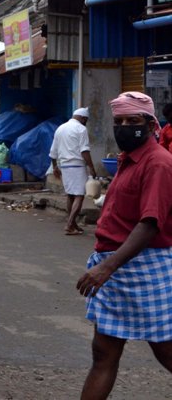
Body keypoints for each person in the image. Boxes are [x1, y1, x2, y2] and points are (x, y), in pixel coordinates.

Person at [76, 91, 172, 399]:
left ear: (151, 124)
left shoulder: (158, 163)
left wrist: (105, 268)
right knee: (103, 354)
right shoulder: (128, 160)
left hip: (144, 269)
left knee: (166, 351)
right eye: (119, 122)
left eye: (133, 121)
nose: (125, 127)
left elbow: (150, 224)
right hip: (115, 270)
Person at [49, 107, 98, 235]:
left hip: (64, 166)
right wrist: (92, 168)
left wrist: (55, 167)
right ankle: (70, 224)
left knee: (70, 195)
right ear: (83, 118)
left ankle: (74, 223)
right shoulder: (81, 129)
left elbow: (53, 151)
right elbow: (84, 151)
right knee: (79, 195)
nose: (86, 122)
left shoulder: (60, 128)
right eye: (86, 120)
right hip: (77, 166)